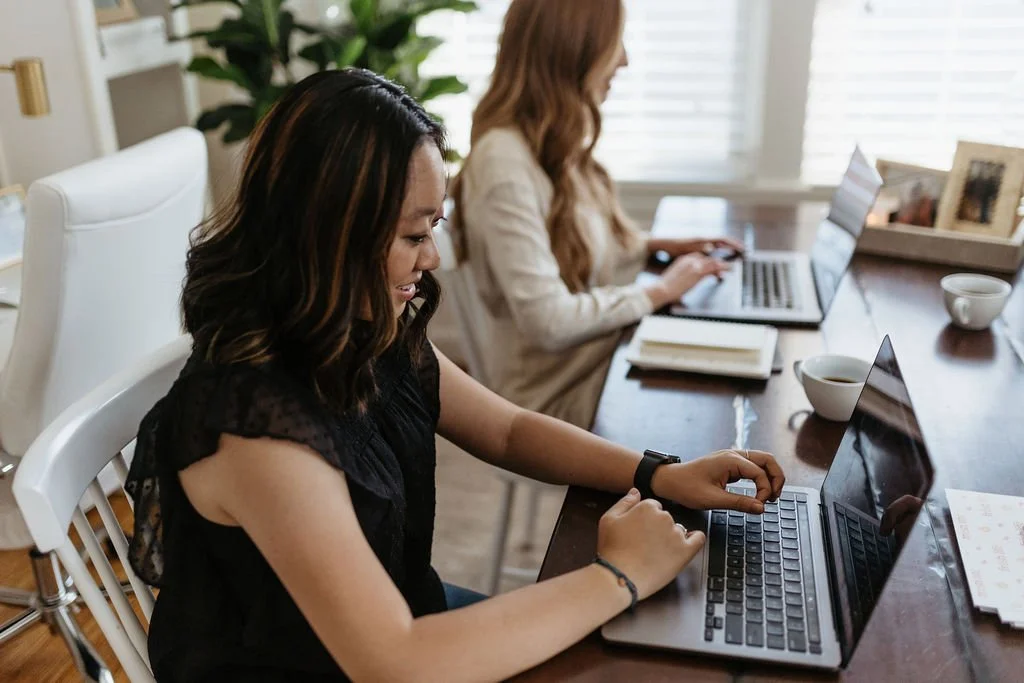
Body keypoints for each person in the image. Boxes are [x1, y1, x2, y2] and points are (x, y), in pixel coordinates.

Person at [124, 68, 785, 682]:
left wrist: (658, 472)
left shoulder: (352, 326)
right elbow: (395, 660)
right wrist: (616, 574)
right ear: (332, 233)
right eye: (415, 235)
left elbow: (508, 428)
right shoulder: (256, 426)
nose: (432, 258)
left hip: (404, 626)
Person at [451, 0, 742, 428]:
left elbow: (571, 244)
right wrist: (658, 292)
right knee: (704, 406)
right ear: (573, 50)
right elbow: (548, 322)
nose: (623, 59)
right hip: (548, 397)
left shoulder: (545, 140)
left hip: (583, 365)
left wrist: (649, 247)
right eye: (613, 42)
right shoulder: (504, 164)